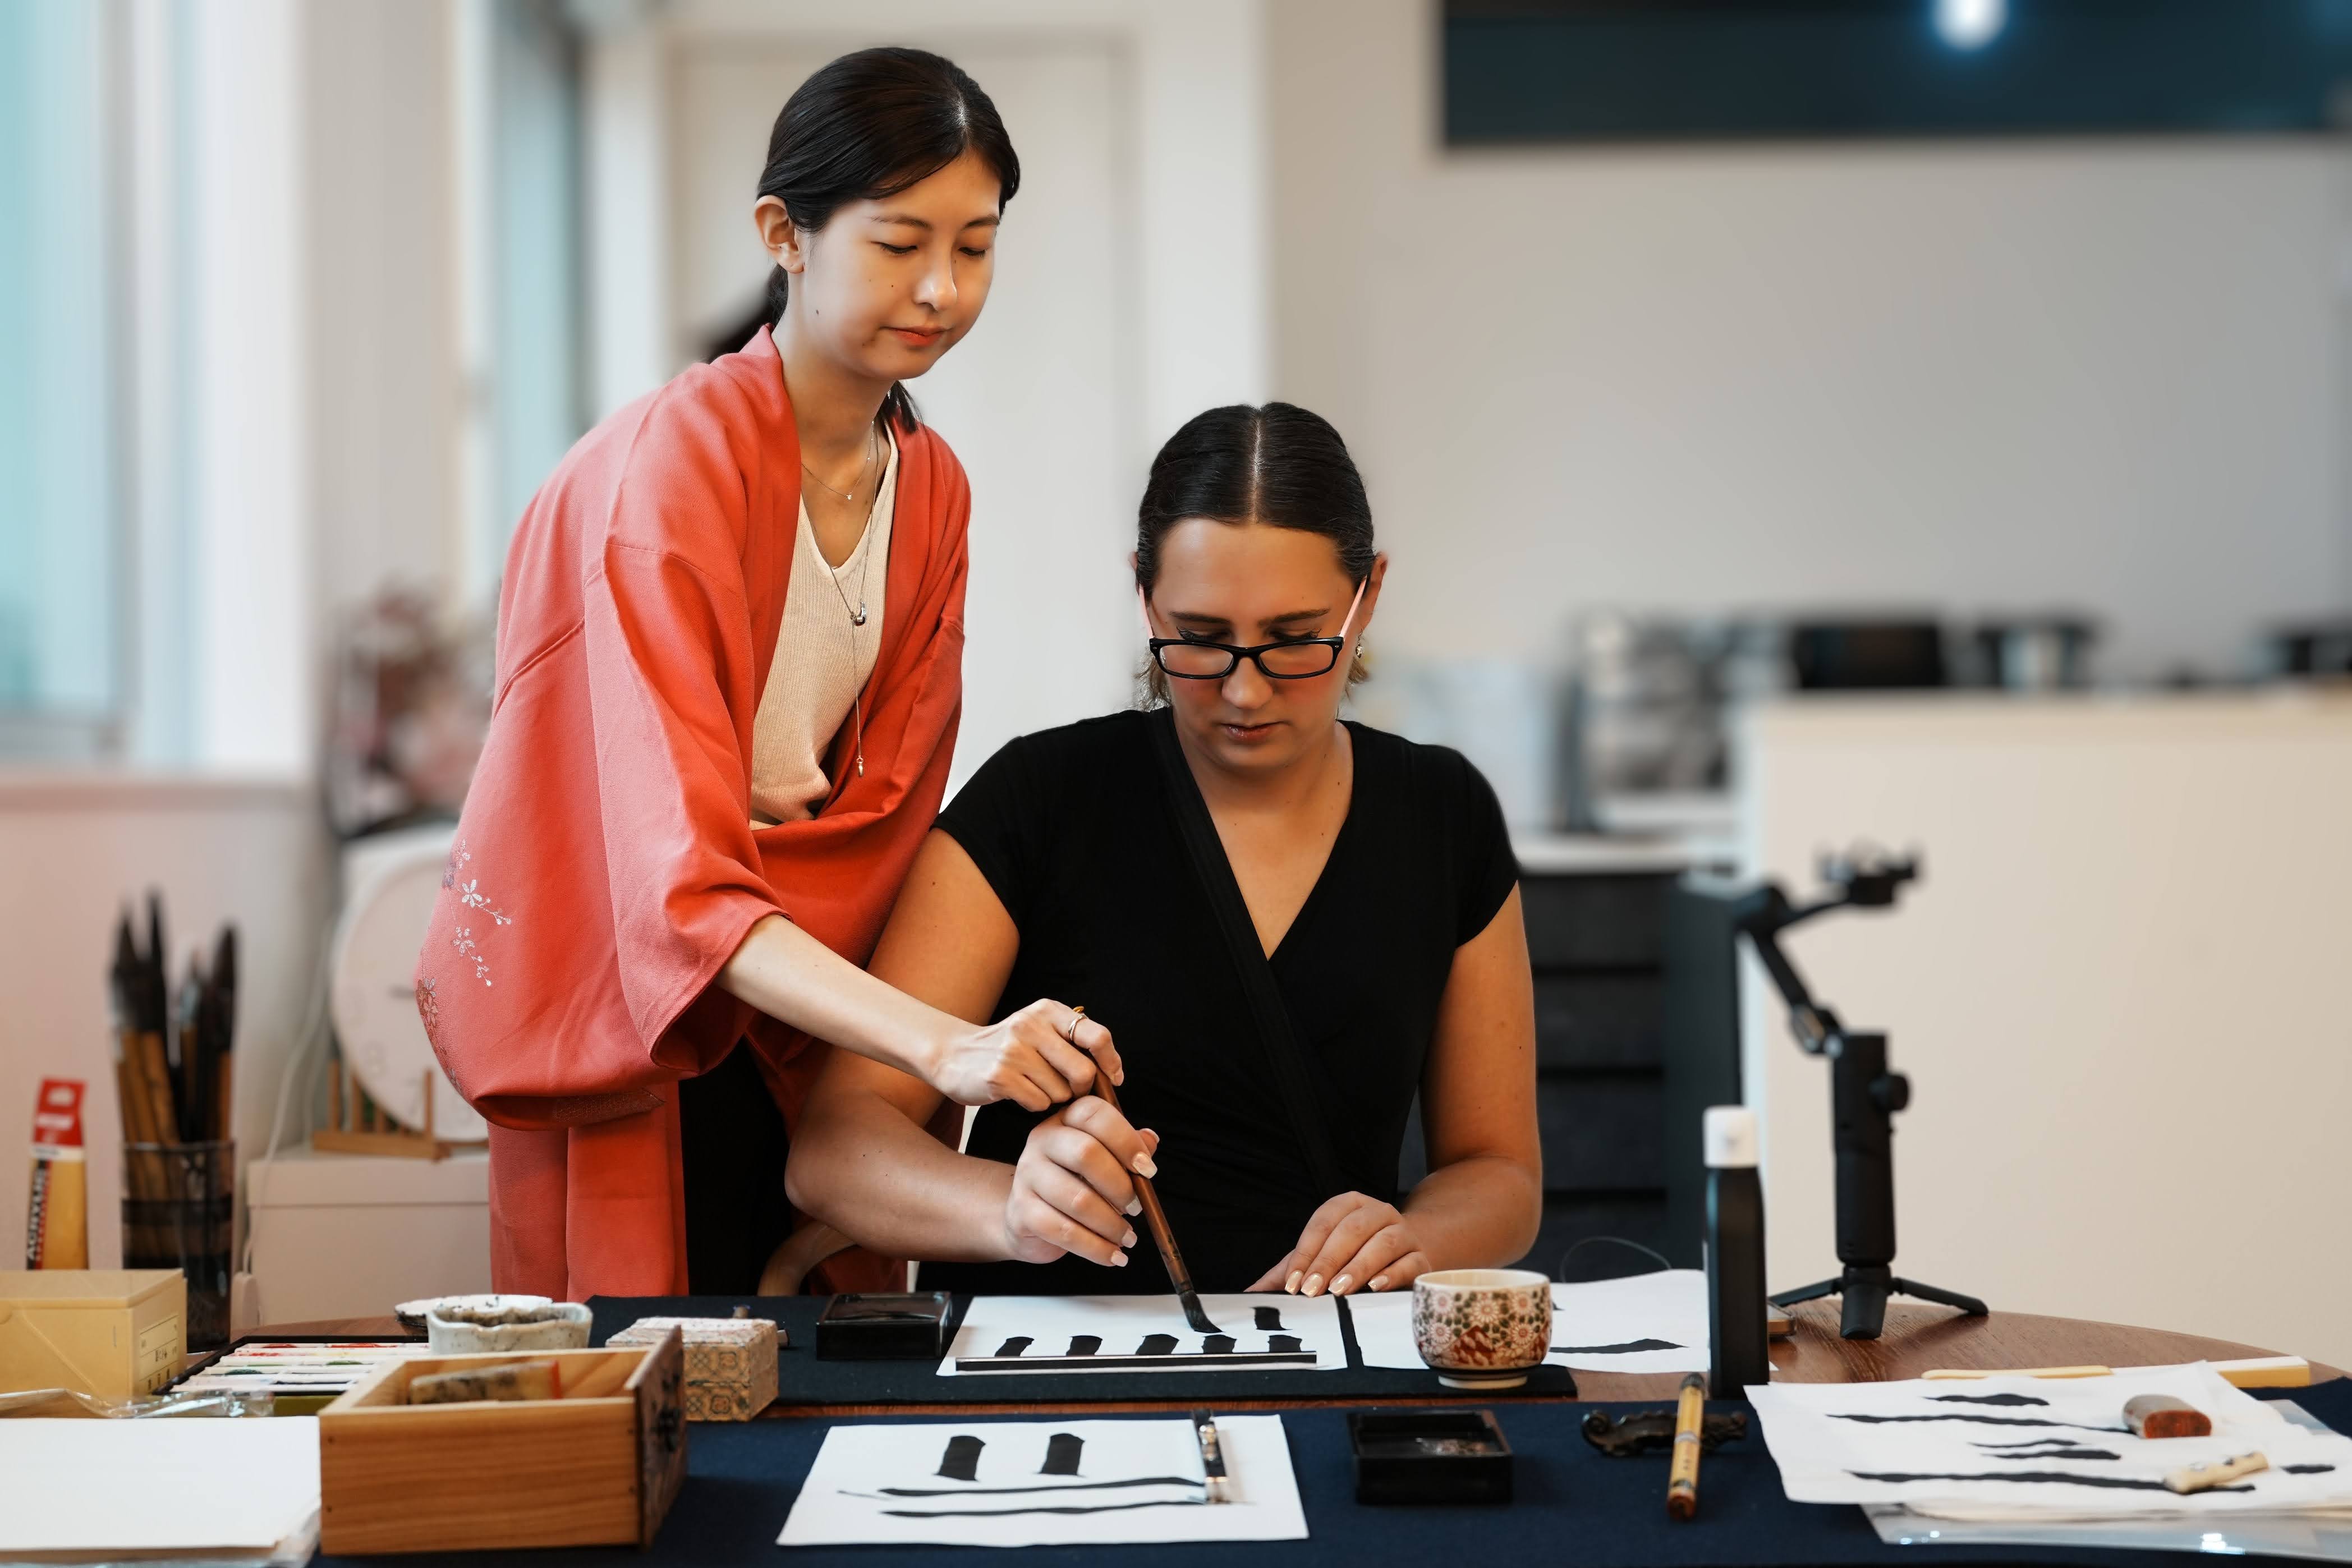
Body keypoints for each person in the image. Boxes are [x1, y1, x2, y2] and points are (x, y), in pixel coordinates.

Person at [416, 48, 1121, 1303]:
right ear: (782, 234)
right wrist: (944, 1045)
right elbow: (667, 870)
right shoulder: (677, 458)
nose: (942, 289)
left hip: (800, 1007)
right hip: (647, 1001)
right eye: (901, 242)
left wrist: (893, 1052)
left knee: (818, 1373)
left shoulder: (934, 483)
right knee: (654, 1382)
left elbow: (884, 809)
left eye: (975, 245)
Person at [789, 403, 1542, 1298]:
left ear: (1368, 595)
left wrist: (1411, 1239)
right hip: (1051, 1373)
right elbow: (836, 1149)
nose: (1246, 690)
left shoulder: (1442, 815)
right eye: (1201, 639)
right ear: (1144, 594)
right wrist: (1008, 1207)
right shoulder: (1041, 798)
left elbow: (1499, 1171)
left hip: (1330, 1371)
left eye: (1296, 640)